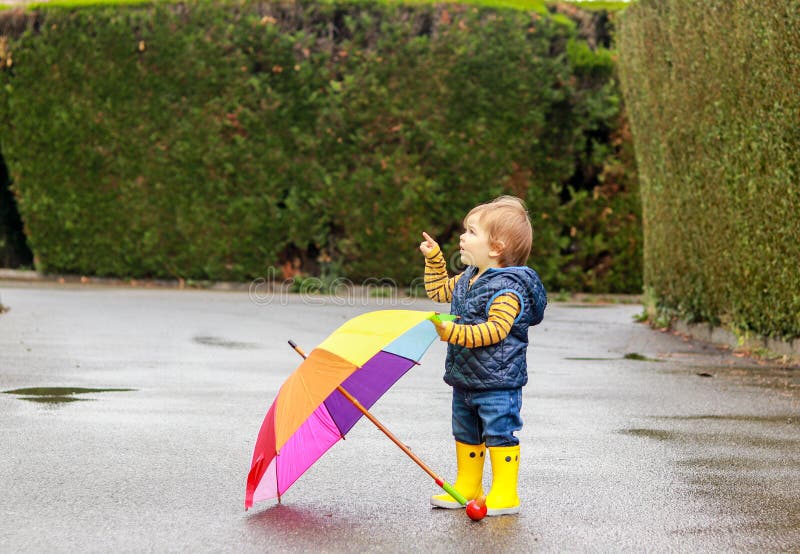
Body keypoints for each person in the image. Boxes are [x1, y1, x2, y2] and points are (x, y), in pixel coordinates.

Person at [419, 195, 546, 516]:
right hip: (465, 377)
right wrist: (434, 261)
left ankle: (504, 492)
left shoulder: (508, 289)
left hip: (499, 381)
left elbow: (496, 331)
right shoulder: (469, 278)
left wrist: (454, 334)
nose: (462, 237)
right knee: (466, 432)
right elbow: (438, 291)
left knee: (498, 432)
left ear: (496, 248)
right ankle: (468, 484)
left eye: (471, 232)